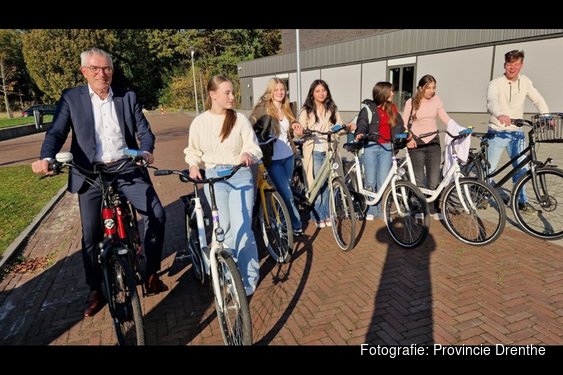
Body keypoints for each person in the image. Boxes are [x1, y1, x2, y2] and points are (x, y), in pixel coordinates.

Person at [31, 47, 168, 318]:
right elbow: (57, 130)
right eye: (94, 68)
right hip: (89, 173)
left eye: (106, 68)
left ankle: (150, 273)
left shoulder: (127, 96)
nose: (101, 74)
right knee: (91, 234)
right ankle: (95, 289)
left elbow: (144, 131)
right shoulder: (72, 98)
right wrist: (46, 157)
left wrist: (147, 149)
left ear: (112, 71)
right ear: (84, 71)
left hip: (126, 167)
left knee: (158, 214)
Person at [184, 75, 262, 296]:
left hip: (239, 175)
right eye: (227, 92)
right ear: (213, 95)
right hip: (214, 178)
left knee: (243, 228)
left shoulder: (239, 119)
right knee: (223, 229)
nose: (231, 96)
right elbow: (193, 151)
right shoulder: (199, 122)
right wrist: (193, 166)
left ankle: (247, 281)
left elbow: (253, 146)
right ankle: (229, 274)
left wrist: (247, 152)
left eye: (232, 92)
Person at [486, 49, 549, 212]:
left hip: (517, 133)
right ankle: (484, 195)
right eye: (509, 64)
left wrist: (546, 116)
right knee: (490, 168)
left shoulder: (525, 82)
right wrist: (500, 114)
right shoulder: (495, 83)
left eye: (516, 64)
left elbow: (538, 99)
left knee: (522, 167)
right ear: (504, 65)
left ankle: (521, 201)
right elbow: (491, 102)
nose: (512, 68)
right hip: (497, 131)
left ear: (521, 65)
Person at [249, 78, 303, 236]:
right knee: (287, 193)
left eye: (282, 89)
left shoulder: (287, 107)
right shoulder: (263, 108)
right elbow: (249, 125)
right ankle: (296, 224)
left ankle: (280, 218)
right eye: (276, 89)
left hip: (289, 156)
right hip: (273, 159)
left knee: (285, 191)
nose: (280, 92)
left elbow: (291, 125)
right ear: (270, 92)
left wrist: (295, 125)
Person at [292, 79, 345, 228]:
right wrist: (300, 131)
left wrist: (345, 128)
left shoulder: (332, 109)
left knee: (329, 184)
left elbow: (339, 127)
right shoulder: (306, 111)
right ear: (312, 94)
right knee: (317, 185)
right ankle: (319, 216)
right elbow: (299, 131)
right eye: (318, 91)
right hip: (314, 151)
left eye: (324, 90)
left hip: (329, 151)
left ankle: (327, 214)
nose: (321, 94)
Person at [401, 74, 453, 219]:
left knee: (434, 178)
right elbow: (403, 123)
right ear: (420, 88)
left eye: (433, 87)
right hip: (415, 142)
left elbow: (445, 117)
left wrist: (459, 129)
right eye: (428, 88)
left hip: (433, 142)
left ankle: (432, 209)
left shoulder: (437, 100)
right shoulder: (411, 102)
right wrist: (407, 138)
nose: (431, 91)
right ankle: (418, 208)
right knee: (418, 178)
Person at [354, 82, 404, 221]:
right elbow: (362, 123)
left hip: (387, 147)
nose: (393, 94)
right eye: (391, 91)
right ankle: (371, 210)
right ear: (383, 93)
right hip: (371, 146)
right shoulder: (368, 108)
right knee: (370, 180)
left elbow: (399, 125)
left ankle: (382, 210)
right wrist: (360, 133)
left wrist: (406, 134)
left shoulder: (392, 108)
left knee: (383, 181)